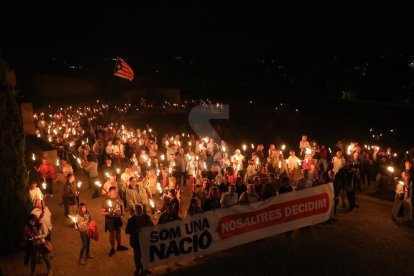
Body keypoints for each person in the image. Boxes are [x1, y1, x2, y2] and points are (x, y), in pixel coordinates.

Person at [125, 204, 153, 276]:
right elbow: (127, 231)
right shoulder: (131, 220)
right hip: (136, 241)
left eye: (141, 209)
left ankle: (145, 268)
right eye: (138, 209)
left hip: (145, 241)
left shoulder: (147, 217)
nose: (140, 210)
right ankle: (138, 268)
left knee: (145, 256)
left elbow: (152, 226)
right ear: (135, 210)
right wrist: (135, 230)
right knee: (137, 257)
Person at [101, 186, 128, 257]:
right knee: (112, 234)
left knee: (118, 232)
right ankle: (112, 248)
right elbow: (102, 212)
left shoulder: (118, 197)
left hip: (118, 218)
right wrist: (108, 213)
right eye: (114, 192)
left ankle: (119, 246)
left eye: (116, 191)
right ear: (109, 193)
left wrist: (122, 214)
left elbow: (122, 205)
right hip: (110, 219)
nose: (116, 193)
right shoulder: (106, 200)